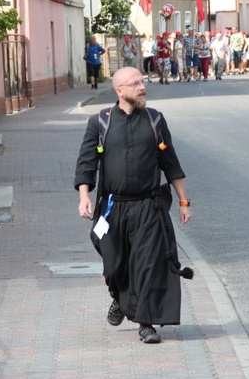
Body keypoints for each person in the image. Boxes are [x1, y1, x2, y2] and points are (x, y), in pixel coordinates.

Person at [74, 66, 192, 344]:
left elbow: (171, 164)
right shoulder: (100, 122)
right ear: (120, 91)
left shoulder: (155, 120)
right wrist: (84, 196)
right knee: (114, 266)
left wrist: (184, 201)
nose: (143, 87)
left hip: (148, 207)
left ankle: (146, 323)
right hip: (113, 208)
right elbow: (86, 163)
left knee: (146, 266)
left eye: (143, 81)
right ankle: (117, 296)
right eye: (136, 83)